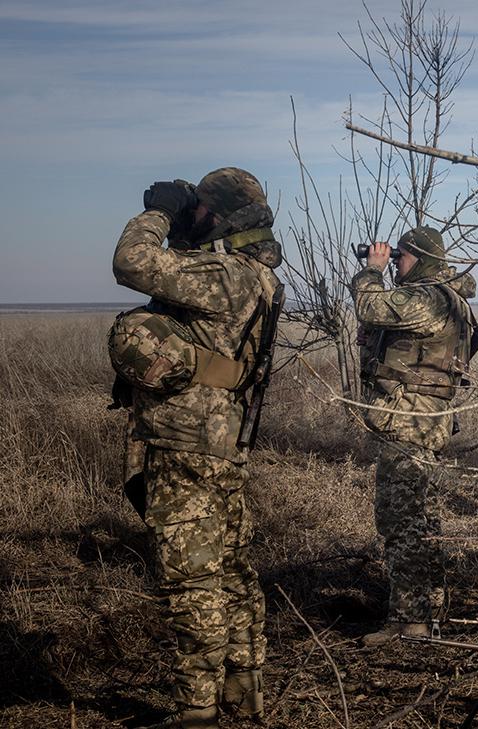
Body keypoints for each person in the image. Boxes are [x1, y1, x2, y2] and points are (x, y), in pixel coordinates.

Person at [109, 168, 283, 729]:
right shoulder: (251, 273)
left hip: (187, 440)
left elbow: (132, 262)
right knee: (231, 569)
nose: (194, 215)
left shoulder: (226, 273)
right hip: (219, 439)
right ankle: (241, 695)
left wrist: (159, 212)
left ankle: (197, 712)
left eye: (203, 209)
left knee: (192, 580)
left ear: (224, 217)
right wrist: (190, 229)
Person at [351, 226, 477, 644]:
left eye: (400, 257)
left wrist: (372, 269)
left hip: (412, 421)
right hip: (422, 420)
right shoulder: (445, 298)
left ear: (418, 258)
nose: (395, 264)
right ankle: (430, 609)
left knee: (400, 522)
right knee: (422, 519)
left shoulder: (431, 297)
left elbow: (369, 305)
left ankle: (407, 621)